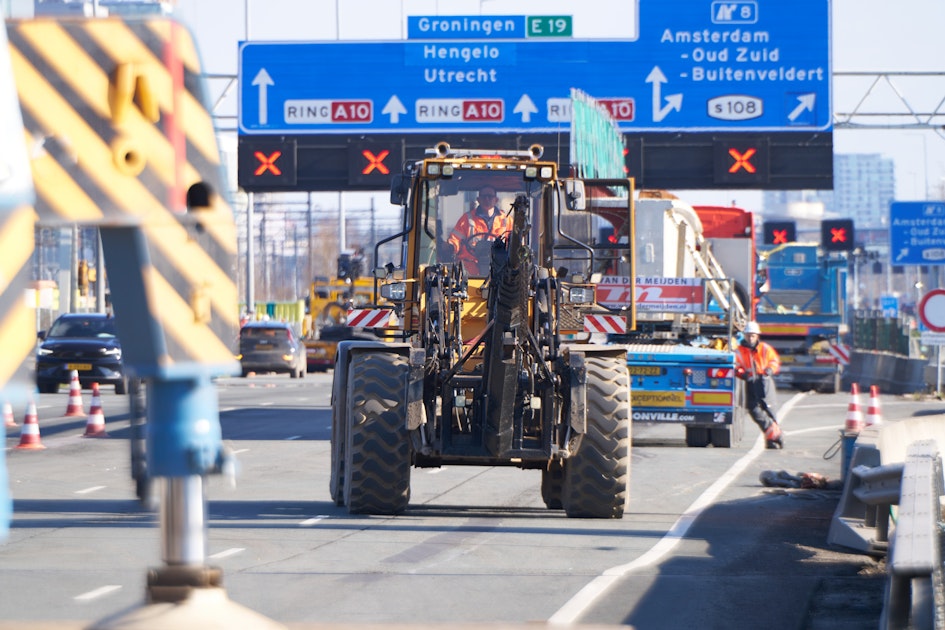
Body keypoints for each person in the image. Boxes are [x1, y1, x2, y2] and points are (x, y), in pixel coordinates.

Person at [735, 321, 784, 449]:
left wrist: (770, 370)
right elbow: (736, 366)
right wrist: (742, 374)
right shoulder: (739, 351)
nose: (750, 338)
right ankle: (774, 433)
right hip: (750, 382)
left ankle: (771, 439)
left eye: (753, 335)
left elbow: (774, 361)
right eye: (748, 335)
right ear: (744, 336)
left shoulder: (765, 349)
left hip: (764, 381)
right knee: (754, 409)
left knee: (769, 409)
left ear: (757, 336)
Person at [447, 186, 513, 275]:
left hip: (500, 273)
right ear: (478, 200)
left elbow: (515, 245)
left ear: (496, 200)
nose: (487, 199)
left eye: (490, 196)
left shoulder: (507, 220)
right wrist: (451, 247)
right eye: (484, 196)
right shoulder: (466, 219)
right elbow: (456, 239)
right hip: (469, 274)